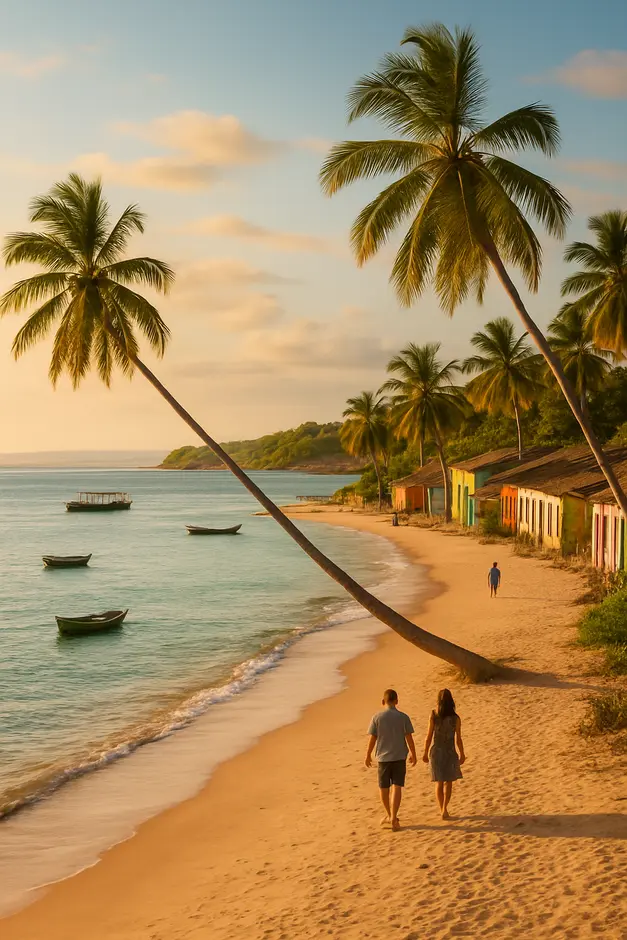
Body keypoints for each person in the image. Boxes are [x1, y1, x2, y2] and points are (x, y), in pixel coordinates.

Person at [365, 689, 416, 831]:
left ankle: (389, 814)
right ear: (397, 701)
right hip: (399, 756)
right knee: (397, 786)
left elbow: (373, 738)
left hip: (383, 758)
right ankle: (394, 816)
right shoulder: (403, 717)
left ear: (383, 702)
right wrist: (413, 753)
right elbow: (409, 737)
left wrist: (368, 754)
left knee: (383, 787)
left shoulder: (377, 717)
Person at [422, 689, 465, 820]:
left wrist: (424, 752)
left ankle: (442, 808)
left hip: (437, 751)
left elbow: (429, 736)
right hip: (450, 751)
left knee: (439, 782)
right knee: (449, 782)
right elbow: (458, 738)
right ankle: (445, 808)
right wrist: (462, 754)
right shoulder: (456, 718)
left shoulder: (434, 715)